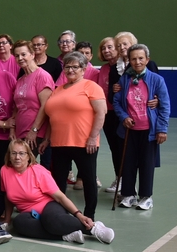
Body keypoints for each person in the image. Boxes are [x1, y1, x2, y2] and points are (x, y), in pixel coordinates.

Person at [0, 140, 114, 244]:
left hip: (49, 205)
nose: (17, 157)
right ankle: (66, 236)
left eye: (21, 153)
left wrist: (79, 215)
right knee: (19, 223)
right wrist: (7, 219)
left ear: (28, 156)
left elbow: (60, 197)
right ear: (9, 156)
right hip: (28, 213)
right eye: (13, 153)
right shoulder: (5, 171)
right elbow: (8, 197)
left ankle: (94, 228)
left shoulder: (38, 171)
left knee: (50, 221)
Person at [41, 52, 106, 219]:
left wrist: (93, 137)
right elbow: (51, 117)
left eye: (74, 67)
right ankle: (59, 214)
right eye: (67, 66)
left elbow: (101, 113)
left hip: (84, 143)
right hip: (58, 143)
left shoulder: (91, 87)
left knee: (88, 181)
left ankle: (89, 216)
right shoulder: (58, 90)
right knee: (58, 182)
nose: (70, 70)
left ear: (83, 69)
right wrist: (47, 139)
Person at [114, 44, 169, 211]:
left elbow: (165, 105)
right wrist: (124, 117)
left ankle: (146, 196)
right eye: (133, 59)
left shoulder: (157, 80)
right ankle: (128, 194)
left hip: (149, 131)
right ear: (129, 61)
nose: (137, 62)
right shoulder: (124, 79)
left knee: (146, 164)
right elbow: (117, 102)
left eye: (140, 58)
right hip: (129, 130)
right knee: (128, 163)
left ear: (147, 60)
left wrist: (162, 129)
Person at [11, 40, 53, 154]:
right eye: (17, 55)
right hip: (20, 131)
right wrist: (12, 129)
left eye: (23, 54)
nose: (20, 58)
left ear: (32, 54)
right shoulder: (20, 80)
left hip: (35, 132)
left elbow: (46, 106)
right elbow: (17, 108)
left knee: (25, 165)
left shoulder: (42, 76)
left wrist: (34, 130)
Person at [97, 37, 123, 193]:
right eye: (103, 48)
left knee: (122, 148)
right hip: (107, 113)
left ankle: (127, 181)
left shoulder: (123, 67)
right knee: (114, 148)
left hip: (121, 113)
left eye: (109, 47)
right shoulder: (104, 69)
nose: (106, 51)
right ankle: (119, 178)